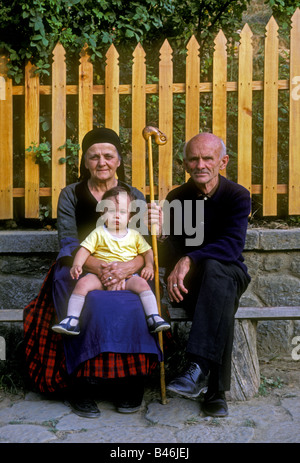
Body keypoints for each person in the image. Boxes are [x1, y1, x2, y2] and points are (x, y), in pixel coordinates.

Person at [23, 127, 162, 419]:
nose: (102, 162)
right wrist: (100, 267)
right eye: (94, 156)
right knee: (87, 300)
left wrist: (129, 266)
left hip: (127, 264)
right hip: (80, 264)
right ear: (84, 162)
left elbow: (143, 243)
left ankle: (130, 381)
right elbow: (69, 242)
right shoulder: (71, 195)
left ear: (119, 160)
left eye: (108, 155)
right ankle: (81, 383)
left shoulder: (133, 195)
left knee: (135, 300)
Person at [156, 132, 251, 418]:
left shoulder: (237, 195)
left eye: (208, 158)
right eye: (194, 159)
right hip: (192, 283)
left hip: (230, 272)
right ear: (185, 164)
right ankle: (214, 392)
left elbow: (231, 246)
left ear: (223, 162)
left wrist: (190, 258)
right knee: (219, 299)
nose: (201, 165)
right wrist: (159, 237)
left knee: (215, 272)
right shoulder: (177, 198)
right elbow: (170, 255)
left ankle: (197, 367)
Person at [52, 186, 170, 336]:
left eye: (122, 212)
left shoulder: (134, 235)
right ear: (102, 214)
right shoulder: (99, 232)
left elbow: (147, 251)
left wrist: (148, 265)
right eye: (111, 211)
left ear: (130, 216)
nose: (116, 216)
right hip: (100, 276)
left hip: (129, 276)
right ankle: (72, 319)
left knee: (142, 284)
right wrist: (77, 264)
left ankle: (153, 317)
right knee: (82, 284)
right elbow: (84, 250)